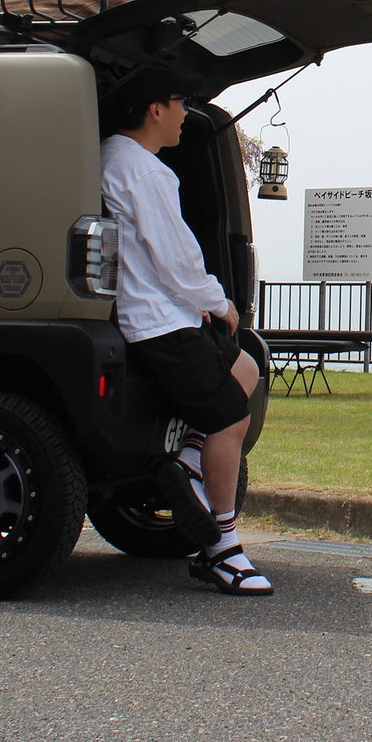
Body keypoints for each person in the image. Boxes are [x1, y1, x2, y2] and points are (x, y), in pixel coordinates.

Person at [100, 69, 273, 596]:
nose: (184, 114)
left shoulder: (111, 156)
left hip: (157, 314)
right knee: (231, 419)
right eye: (180, 103)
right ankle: (221, 549)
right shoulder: (144, 171)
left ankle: (191, 463)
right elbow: (174, 257)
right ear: (155, 109)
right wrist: (219, 303)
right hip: (160, 321)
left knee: (246, 367)